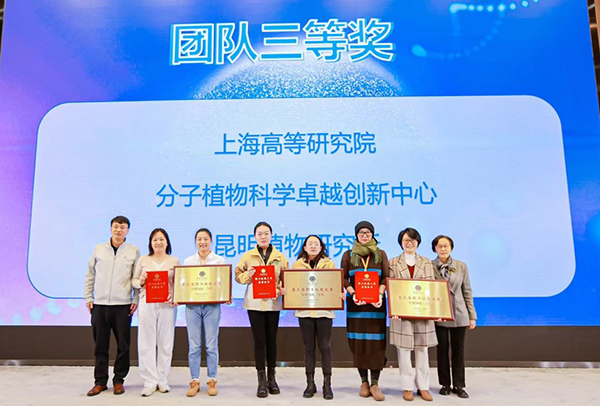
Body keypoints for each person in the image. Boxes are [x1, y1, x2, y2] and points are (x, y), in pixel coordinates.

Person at [84, 215, 140, 396]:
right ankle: (100, 382)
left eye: (122, 227)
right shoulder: (99, 249)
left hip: (123, 305)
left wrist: (135, 300)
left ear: (127, 231)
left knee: (123, 345)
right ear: (111, 229)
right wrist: (88, 297)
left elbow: (136, 277)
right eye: (116, 226)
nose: (118, 230)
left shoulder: (133, 251)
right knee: (100, 346)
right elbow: (90, 274)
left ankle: (119, 381)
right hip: (100, 305)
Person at [235, 221, 289, 398]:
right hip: (254, 305)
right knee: (259, 341)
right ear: (255, 236)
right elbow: (237, 276)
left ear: (271, 235)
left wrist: (280, 289)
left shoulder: (280, 257)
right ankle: (261, 380)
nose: (263, 237)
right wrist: (248, 275)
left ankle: (272, 378)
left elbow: (286, 279)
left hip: (273, 304)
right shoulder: (248, 256)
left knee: (271, 340)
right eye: (259, 234)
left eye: (266, 233)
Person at [341, 221, 389, 402]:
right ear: (356, 235)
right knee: (359, 343)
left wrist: (380, 294)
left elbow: (386, 277)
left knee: (376, 344)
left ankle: (375, 383)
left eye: (368, 232)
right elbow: (343, 278)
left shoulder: (380, 254)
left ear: (373, 235)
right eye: (361, 232)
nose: (364, 235)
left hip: (376, 305)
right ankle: (364, 382)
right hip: (356, 306)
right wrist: (353, 293)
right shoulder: (348, 255)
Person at [389, 227, 437, 402]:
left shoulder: (426, 262)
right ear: (401, 243)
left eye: (412, 240)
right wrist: (394, 309)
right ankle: (407, 387)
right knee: (403, 351)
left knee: (422, 351)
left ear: (418, 242)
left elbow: (431, 287)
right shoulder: (393, 262)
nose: (409, 243)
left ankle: (423, 386)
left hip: (422, 312)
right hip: (401, 314)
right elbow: (391, 289)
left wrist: (434, 310)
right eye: (406, 240)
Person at [131, 228, 180, 396]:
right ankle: (149, 381)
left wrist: (175, 295)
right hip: (147, 303)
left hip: (167, 305)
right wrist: (141, 281)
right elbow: (134, 281)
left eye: (161, 239)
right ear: (150, 243)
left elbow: (179, 284)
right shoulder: (144, 259)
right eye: (155, 240)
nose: (158, 242)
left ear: (167, 242)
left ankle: (162, 380)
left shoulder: (174, 260)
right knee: (146, 342)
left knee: (166, 342)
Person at [292, 235, 337, 400]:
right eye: (309, 244)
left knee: (325, 347)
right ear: (304, 247)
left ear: (321, 247)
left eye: (316, 244)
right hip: (304, 312)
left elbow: (333, 285)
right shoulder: (297, 265)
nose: (312, 246)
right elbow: (293, 285)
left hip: (324, 311)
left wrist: (338, 293)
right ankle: (310, 384)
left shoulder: (329, 264)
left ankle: (327, 384)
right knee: (308, 347)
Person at [431, 235, 477, 399]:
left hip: (459, 313)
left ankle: (459, 385)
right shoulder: (430, 266)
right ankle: (445, 384)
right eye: (440, 246)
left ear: (451, 247)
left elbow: (467, 291)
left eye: (446, 246)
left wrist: (472, 315)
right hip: (440, 314)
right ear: (435, 248)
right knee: (442, 350)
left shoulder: (461, 266)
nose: (443, 249)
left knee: (458, 350)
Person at [183, 228, 226, 397]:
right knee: (194, 345)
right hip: (192, 307)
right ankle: (194, 380)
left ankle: (212, 379)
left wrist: (225, 294)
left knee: (211, 344)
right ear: (196, 242)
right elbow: (184, 284)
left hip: (212, 306)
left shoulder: (219, 260)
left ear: (211, 241)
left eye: (206, 239)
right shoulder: (188, 261)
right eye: (199, 239)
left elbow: (222, 282)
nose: (202, 242)